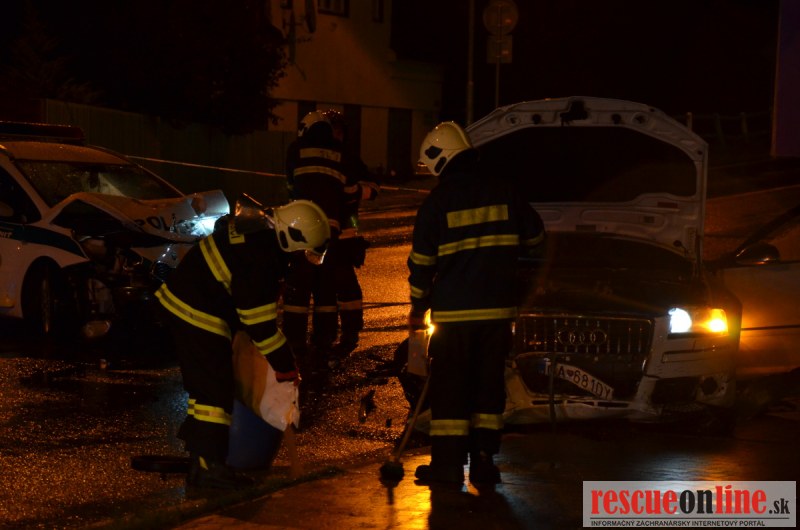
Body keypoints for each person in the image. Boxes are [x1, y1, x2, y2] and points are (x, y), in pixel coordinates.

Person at [156, 199, 330, 490]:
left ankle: (201, 460)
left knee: (206, 390)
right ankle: (209, 469)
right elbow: (260, 326)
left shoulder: (259, 234)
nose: (300, 260)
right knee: (214, 391)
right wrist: (285, 366)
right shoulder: (262, 257)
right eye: (302, 252)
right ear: (292, 238)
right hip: (198, 310)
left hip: (192, 302)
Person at [407, 121, 545, 486]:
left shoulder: (437, 203)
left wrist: (418, 307)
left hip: (454, 317)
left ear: (441, 158)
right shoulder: (505, 191)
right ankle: (484, 463)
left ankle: (448, 468)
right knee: (488, 388)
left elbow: (421, 264)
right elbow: (536, 238)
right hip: (497, 314)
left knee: (450, 391)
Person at [282, 110, 377, 370]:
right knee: (326, 288)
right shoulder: (342, 155)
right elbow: (350, 189)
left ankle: (301, 343)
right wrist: (350, 194)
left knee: (304, 288)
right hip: (334, 231)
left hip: (305, 231)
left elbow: (291, 186)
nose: (337, 134)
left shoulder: (296, 149)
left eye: (340, 130)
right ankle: (324, 342)